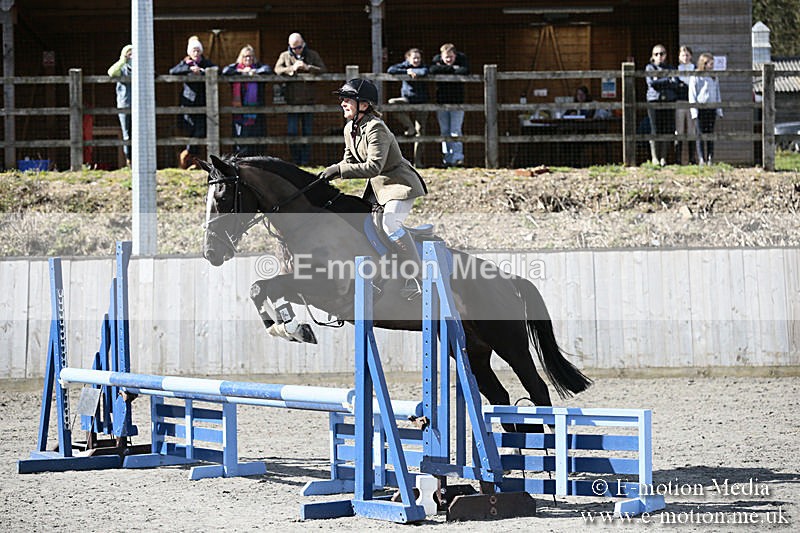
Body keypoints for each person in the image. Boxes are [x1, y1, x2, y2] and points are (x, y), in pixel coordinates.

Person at [320, 79, 428, 297]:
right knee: (362, 225)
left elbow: (373, 166)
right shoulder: (350, 127)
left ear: (364, 104)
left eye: (347, 99)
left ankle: (417, 278)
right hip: (378, 188)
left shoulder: (376, 128)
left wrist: (338, 171)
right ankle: (381, 274)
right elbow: (349, 160)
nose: (342, 103)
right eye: (342, 99)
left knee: (390, 224)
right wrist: (328, 176)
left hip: (399, 184)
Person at [274, 32, 327, 166]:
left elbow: (323, 69)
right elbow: (277, 69)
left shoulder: (312, 55)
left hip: (308, 100)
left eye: (299, 47)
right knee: (292, 132)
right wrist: (292, 68)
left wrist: (307, 67)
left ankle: (305, 162)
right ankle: (296, 161)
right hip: (291, 101)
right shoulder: (284, 55)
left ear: (303, 44)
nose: (297, 50)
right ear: (290, 47)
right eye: (294, 48)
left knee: (307, 132)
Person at [169, 35, 216, 168]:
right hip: (188, 102)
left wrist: (201, 71)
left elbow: (216, 70)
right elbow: (173, 71)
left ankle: (187, 154)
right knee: (190, 130)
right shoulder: (185, 63)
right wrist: (189, 70)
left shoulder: (205, 63)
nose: (196, 53)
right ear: (189, 52)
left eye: (198, 50)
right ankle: (192, 160)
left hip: (203, 102)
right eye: (193, 50)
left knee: (200, 131)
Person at [222, 45, 273, 156]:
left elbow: (268, 70)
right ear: (241, 57)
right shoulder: (236, 68)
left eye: (250, 57)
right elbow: (225, 71)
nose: (248, 59)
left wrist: (254, 72)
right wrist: (242, 73)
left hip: (256, 112)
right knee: (240, 139)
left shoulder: (258, 67)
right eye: (245, 57)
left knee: (256, 139)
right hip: (239, 113)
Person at [387, 48, 429, 167]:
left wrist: (415, 71)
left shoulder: (423, 67)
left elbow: (425, 71)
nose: (416, 60)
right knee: (392, 103)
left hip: (421, 102)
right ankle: (409, 127)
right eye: (414, 58)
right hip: (407, 99)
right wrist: (407, 71)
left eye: (418, 58)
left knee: (421, 132)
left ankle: (418, 162)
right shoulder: (405, 67)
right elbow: (391, 69)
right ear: (408, 58)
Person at [429, 43, 469, 167]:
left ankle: (457, 158)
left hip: (457, 102)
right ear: (442, 56)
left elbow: (465, 71)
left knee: (455, 130)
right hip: (442, 102)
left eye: (451, 57)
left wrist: (447, 70)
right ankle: (447, 159)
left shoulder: (462, 60)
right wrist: (453, 69)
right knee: (444, 131)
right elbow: (433, 70)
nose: (449, 59)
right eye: (446, 57)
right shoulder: (436, 61)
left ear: (455, 55)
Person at [645, 44, 678, 167]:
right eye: (656, 54)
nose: (659, 56)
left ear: (666, 55)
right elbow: (652, 83)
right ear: (652, 56)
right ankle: (654, 157)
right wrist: (667, 80)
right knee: (654, 128)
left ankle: (663, 158)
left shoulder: (671, 68)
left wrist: (661, 80)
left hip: (668, 101)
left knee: (666, 129)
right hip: (654, 100)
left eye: (662, 53)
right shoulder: (649, 67)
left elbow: (675, 83)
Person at [690, 52, 723, 165]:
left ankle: (710, 158)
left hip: (711, 108)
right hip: (700, 108)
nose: (712, 66)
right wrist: (694, 111)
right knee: (699, 134)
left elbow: (717, 93)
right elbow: (692, 94)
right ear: (704, 64)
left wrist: (719, 109)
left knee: (710, 134)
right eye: (710, 63)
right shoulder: (696, 76)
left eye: (713, 63)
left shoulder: (714, 76)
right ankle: (701, 158)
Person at [107, 44, 132, 166]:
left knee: (140, 133)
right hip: (124, 104)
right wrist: (123, 60)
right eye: (129, 53)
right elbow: (111, 72)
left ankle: (140, 159)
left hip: (140, 105)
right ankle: (129, 159)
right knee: (126, 133)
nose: (131, 56)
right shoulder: (121, 68)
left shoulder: (139, 67)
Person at [675, 45, 696, 164]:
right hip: (680, 102)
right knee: (679, 130)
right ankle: (678, 159)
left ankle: (692, 159)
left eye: (687, 55)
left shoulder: (694, 68)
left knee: (691, 130)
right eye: (683, 55)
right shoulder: (676, 70)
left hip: (691, 102)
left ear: (691, 56)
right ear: (679, 57)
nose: (685, 57)